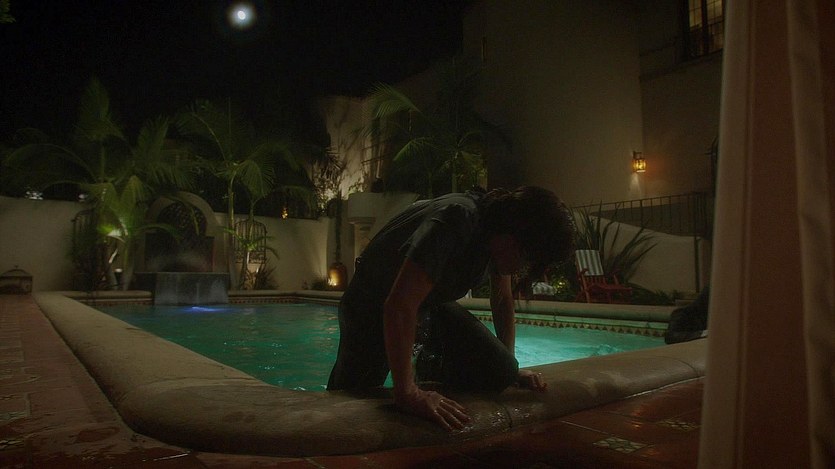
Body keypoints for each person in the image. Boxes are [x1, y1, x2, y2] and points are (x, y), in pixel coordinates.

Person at [327, 186, 576, 430]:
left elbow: (502, 299)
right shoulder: (456, 219)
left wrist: (512, 368)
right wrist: (408, 393)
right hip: (372, 304)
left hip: (428, 307)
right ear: (514, 236)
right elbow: (399, 305)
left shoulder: (498, 235)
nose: (524, 269)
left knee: (501, 371)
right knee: (348, 402)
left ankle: (430, 379)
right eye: (529, 259)